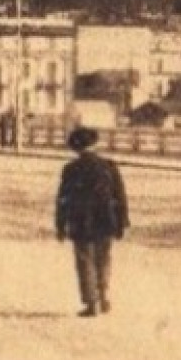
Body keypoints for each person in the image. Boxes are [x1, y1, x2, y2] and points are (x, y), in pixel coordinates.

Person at [54, 127, 130, 318]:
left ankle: (92, 302)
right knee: (103, 259)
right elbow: (120, 196)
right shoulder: (109, 166)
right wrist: (122, 221)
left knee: (85, 260)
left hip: (81, 221)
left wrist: (60, 224)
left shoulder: (71, 169)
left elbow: (64, 199)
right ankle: (103, 295)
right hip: (106, 219)